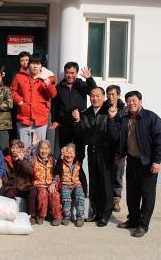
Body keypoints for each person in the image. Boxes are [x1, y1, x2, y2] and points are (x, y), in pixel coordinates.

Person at [108, 91, 161, 238]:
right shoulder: (124, 118)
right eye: (128, 101)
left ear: (140, 101)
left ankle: (143, 224)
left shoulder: (151, 117)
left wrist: (157, 161)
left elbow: (159, 141)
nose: (131, 103)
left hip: (148, 162)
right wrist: (113, 119)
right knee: (132, 193)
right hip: (132, 160)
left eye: (134, 100)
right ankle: (132, 220)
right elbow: (115, 136)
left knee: (147, 194)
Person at [50, 61, 96, 197]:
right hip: (64, 126)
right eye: (68, 72)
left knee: (79, 156)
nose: (70, 75)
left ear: (76, 73)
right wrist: (55, 120)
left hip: (79, 126)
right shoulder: (59, 87)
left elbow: (94, 91)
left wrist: (89, 78)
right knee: (64, 154)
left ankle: (81, 186)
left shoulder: (82, 85)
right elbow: (55, 106)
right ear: (65, 73)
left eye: (72, 73)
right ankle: (63, 184)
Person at [73, 87, 116, 227]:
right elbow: (81, 131)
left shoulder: (109, 111)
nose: (95, 98)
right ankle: (96, 211)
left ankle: (105, 214)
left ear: (103, 97)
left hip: (106, 152)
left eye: (98, 96)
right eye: (92, 96)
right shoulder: (86, 113)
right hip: (92, 151)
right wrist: (78, 120)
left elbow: (115, 134)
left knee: (106, 184)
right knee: (95, 183)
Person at [11, 53, 57, 149]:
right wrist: (19, 101)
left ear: (41, 65)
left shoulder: (48, 77)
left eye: (38, 63)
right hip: (23, 116)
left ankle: (37, 165)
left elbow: (52, 95)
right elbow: (12, 90)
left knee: (39, 149)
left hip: (40, 117)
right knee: (23, 148)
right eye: (32, 63)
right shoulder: (20, 76)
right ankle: (24, 164)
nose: (35, 66)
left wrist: (48, 85)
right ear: (29, 64)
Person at [24, 134, 62, 226]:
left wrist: (53, 184)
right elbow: (25, 155)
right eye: (41, 148)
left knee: (55, 195)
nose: (44, 151)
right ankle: (41, 215)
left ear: (49, 150)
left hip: (50, 185)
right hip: (38, 185)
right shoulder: (34, 160)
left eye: (46, 149)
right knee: (42, 194)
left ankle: (57, 217)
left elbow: (57, 175)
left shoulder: (54, 161)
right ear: (38, 150)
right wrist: (33, 145)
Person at [2, 140, 37, 225]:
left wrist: (22, 162)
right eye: (13, 148)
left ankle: (31, 215)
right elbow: (4, 174)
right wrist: (4, 183)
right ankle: (10, 214)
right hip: (12, 186)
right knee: (9, 194)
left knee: (33, 191)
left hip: (24, 186)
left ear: (21, 150)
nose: (14, 150)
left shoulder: (25, 159)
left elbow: (29, 171)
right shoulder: (5, 160)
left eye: (17, 148)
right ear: (10, 149)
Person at [106, 85, 128, 212]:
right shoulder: (104, 108)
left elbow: (124, 132)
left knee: (117, 174)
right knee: (105, 174)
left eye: (113, 94)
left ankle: (116, 200)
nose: (110, 97)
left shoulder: (124, 111)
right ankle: (106, 198)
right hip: (105, 147)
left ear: (118, 95)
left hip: (118, 148)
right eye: (108, 94)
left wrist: (119, 151)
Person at [54, 144, 85, 227]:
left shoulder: (78, 164)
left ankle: (80, 217)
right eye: (67, 153)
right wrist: (61, 156)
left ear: (75, 154)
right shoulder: (61, 163)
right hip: (65, 185)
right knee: (65, 197)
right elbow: (58, 170)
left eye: (71, 153)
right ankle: (66, 216)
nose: (69, 155)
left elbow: (82, 178)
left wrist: (85, 190)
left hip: (76, 184)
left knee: (80, 195)